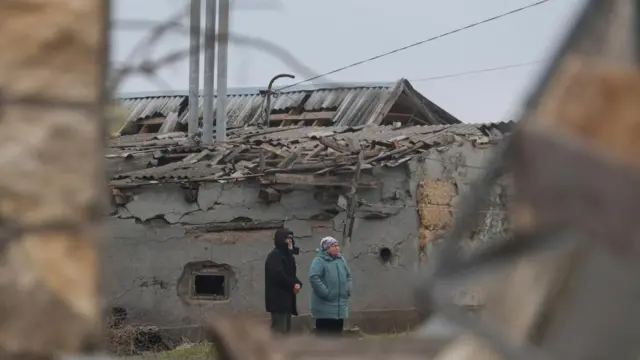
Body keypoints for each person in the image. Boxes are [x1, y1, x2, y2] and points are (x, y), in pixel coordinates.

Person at [308, 236, 352, 336]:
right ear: (326, 248)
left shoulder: (341, 260)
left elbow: (348, 275)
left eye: (337, 246)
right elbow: (314, 277)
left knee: (337, 336)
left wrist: (348, 290)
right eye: (333, 246)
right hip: (325, 307)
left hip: (340, 306)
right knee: (324, 337)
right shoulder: (319, 260)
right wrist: (326, 293)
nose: (337, 248)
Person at [264, 228, 302, 334]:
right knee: (279, 332)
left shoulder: (288, 256)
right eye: (287, 238)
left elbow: (291, 274)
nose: (290, 241)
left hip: (287, 300)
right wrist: (293, 284)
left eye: (291, 238)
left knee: (285, 332)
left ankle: (283, 350)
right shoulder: (275, 256)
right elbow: (279, 275)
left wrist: (298, 283)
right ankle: (274, 351)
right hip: (278, 300)